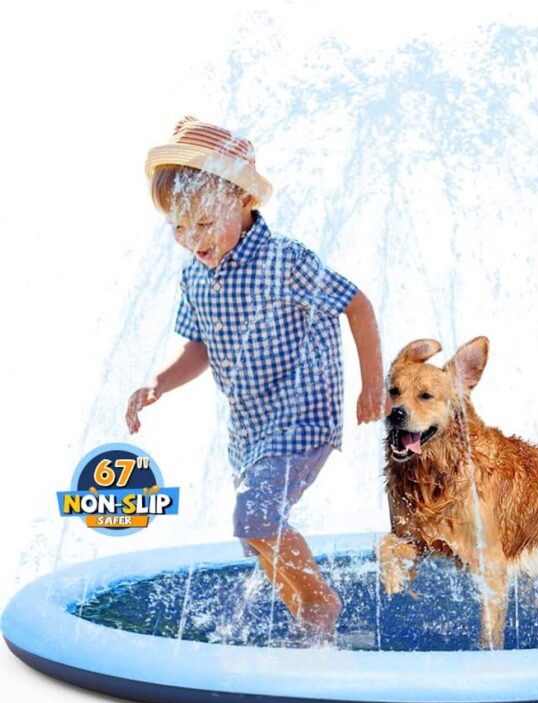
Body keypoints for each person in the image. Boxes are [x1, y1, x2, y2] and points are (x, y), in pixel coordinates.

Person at [126, 116, 387, 641]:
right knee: (255, 535)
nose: (190, 239)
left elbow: (356, 305)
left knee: (256, 517)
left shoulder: (283, 259)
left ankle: (320, 604)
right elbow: (197, 348)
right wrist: (159, 383)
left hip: (303, 414)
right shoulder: (195, 274)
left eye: (202, 223)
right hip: (250, 429)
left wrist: (372, 384)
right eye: (178, 227)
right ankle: (312, 618)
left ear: (243, 200)